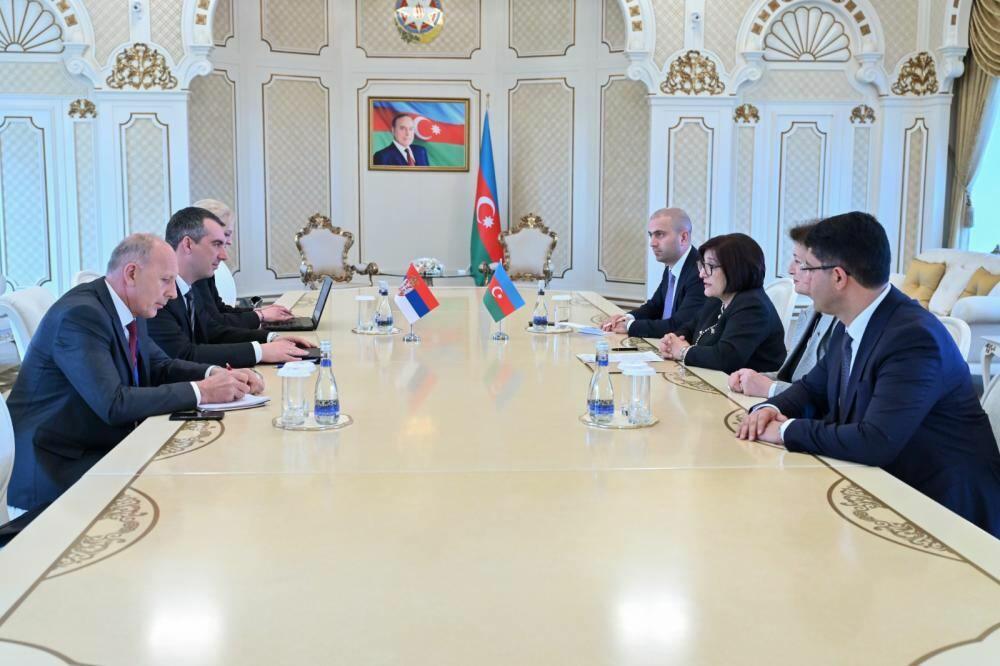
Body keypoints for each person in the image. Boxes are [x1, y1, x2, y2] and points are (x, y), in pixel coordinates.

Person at [738, 212, 1000, 537]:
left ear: (838, 277)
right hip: (885, 489)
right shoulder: (850, 321)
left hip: (946, 516)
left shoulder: (913, 338)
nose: (797, 274)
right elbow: (812, 389)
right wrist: (769, 410)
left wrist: (785, 430)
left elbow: (875, 442)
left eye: (806, 266)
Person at [5, 234, 260, 512]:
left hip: (98, 445)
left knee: (193, 479)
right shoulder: (80, 315)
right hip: (56, 466)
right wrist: (203, 391)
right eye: (165, 280)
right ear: (131, 274)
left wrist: (214, 374)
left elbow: (160, 365)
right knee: (178, 498)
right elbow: (114, 404)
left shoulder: (130, 304)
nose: (173, 293)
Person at [147, 207, 314, 367]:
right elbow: (184, 355)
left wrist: (270, 338)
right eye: (216, 244)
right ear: (188, 244)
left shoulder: (191, 286)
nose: (224, 255)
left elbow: (212, 332)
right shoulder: (157, 294)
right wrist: (260, 352)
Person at [729, 222, 837, 398]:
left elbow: (825, 397)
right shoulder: (809, 313)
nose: (790, 269)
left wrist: (769, 388)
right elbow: (789, 377)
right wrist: (751, 379)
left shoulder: (842, 323)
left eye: (799, 262)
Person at [658, 233, 786, 374]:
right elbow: (689, 328)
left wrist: (683, 351)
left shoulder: (752, 306)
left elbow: (726, 358)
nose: (701, 274)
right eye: (702, 265)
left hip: (742, 387)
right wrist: (671, 341)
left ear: (736, 268)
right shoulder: (718, 298)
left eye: (710, 266)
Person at [602, 208, 706, 338]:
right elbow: (655, 306)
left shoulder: (700, 272)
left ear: (683, 238)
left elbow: (678, 326)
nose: (652, 243)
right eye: (651, 235)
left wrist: (629, 326)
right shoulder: (672, 265)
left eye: (660, 234)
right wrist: (626, 317)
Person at [192, 199, 293, 328]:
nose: (229, 242)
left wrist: (259, 312)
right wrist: (261, 316)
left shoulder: (205, 267)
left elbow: (220, 310)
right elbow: (215, 323)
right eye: (226, 234)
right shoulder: (197, 270)